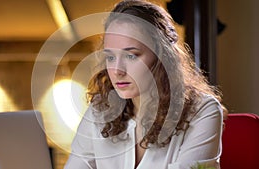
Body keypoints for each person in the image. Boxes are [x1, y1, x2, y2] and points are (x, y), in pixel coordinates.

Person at [64, 0, 227, 168]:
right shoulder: (99, 110)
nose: (117, 71)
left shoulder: (203, 111)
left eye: (132, 56)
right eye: (111, 57)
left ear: (162, 57)